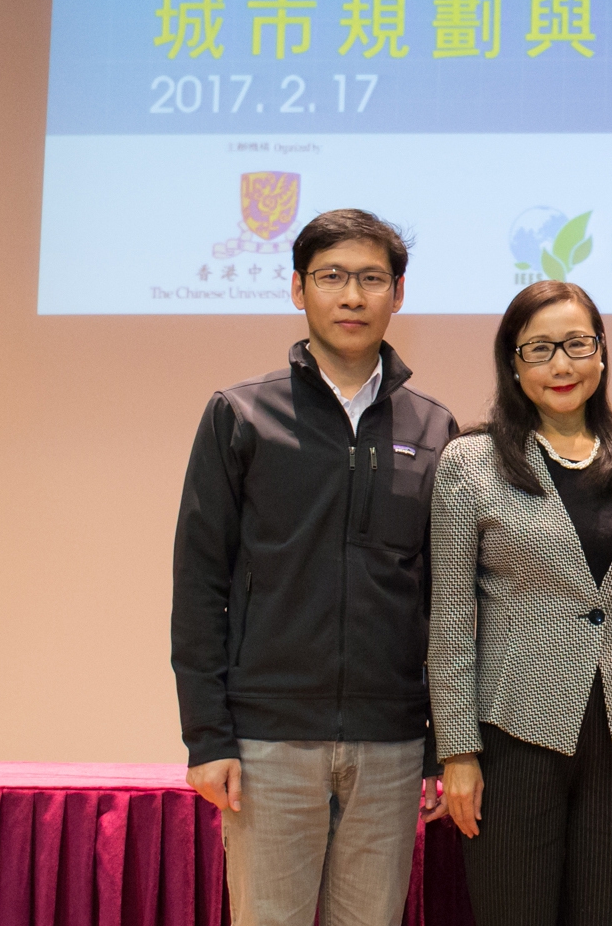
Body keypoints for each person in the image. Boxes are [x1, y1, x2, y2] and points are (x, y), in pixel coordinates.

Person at [171, 209, 458, 926]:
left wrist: (436, 743)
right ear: (298, 289)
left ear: (398, 292)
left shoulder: (434, 429)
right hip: (269, 741)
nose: (352, 296)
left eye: (370, 279)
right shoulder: (241, 415)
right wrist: (207, 736)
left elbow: (444, 598)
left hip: (390, 744)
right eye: (332, 277)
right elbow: (200, 582)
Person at [429, 280, 612, 926]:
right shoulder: (471, 462)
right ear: (513, 363)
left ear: (602, 353)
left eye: (577, 343)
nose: (562, 364)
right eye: (539, 348)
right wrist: (456, 752)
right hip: (511, 735)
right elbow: (453, 619)